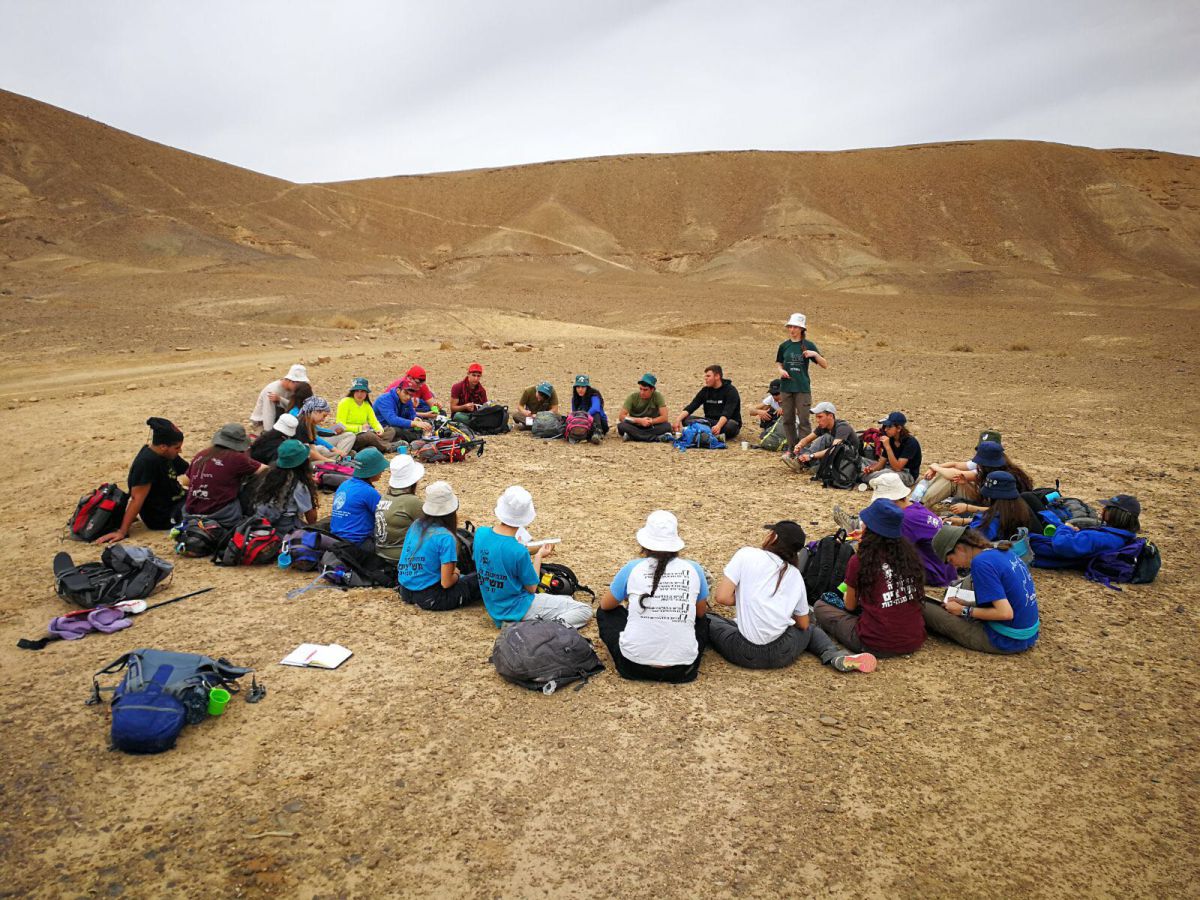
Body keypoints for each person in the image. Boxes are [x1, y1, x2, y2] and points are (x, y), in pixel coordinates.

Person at [707, 521, 876, 672]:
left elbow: (722, 598)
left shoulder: (747, 554)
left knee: (709, 619)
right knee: (811, 630)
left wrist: (749, 598)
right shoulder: (795, 575)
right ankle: (832, 654)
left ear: (773, 537)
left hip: (743, 651)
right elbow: (803, 624)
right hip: (783, 652)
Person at [596, 511, 710, 683]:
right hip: (683, 669)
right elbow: (700, 613)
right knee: (703, 620)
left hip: (632, 666)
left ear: (645, 544)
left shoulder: (632, 567)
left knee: (606, 613)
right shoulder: (694, 568)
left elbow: (606, 606)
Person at [813, 499, 926, 656]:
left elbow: (850, 606)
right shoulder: (909, 555)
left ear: (870, 528)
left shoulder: (861, 560)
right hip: (913, 639)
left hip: (874, 642)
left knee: (820, 607)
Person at [473, 486, 592, 628]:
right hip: (518, 608)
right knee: (584, 610)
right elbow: (532, 588)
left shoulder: (480, 534)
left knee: (565, 599)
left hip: (495, 606)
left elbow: (495, 558)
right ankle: (544, 629)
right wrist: (539, 556)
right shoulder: (518, 551)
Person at [924, 525, 1040, 654]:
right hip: (1028, 633)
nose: (954, 566)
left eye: (951, 560)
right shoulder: (999, 549)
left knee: (925, 608)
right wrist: (967, 604)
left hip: (1006, 639)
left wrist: (964, 610)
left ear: (959, 548)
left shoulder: (980, 564)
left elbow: (1005, 613)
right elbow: (1007, 598)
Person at [834, 471, 959, 588]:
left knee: (865, 556)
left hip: (935, 574)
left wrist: (864, 539)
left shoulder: (905, 519)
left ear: (891, 500)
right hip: (946, 570)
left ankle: (843, 587)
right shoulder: (915, 508)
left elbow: (886, 549)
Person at [97, 418, 189, 542]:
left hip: (178, 501)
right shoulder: (146, 463)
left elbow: (189, 471)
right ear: (163, 447)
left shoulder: (167, 454)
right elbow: (136, 499)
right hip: (163, 515)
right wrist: (122, 531)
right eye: (177, 448)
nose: (180, 451)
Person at [396, 481, 481, 611]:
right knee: (482, 577)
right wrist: (457, 574)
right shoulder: (446, 537)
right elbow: (446, 583)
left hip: (406, 590)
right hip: (432, 597)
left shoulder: (417, 524)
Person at [182, 424, 265, 527]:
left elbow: (186, 481)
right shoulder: (237, 458)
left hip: (190, 512)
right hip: (221, 514)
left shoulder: (202, 454)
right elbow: (265, 470)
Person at [1032, 494, 1143, 569]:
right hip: (1062, 542)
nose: (1103, 509)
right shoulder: (1121, 535)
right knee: (1030, 499)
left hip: (1042, 549)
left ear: (1115, 514)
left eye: (1107, 508)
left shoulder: (1103, 538)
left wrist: (1066, 528)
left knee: (1028, 499)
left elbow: (1062, 545)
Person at [918, 438, 1032, 507]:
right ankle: (920, 504)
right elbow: (956, 466)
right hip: (989, 503)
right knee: (955, 480)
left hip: (997, 509)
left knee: (952, 479)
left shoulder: (1002, 477)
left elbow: (997, 509)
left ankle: (920, 505)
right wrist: (965, 483)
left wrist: (935, 467)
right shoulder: (997, 469)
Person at [775, 313, 828, 447]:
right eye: (790, 327)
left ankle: (804, 449)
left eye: (795, 327)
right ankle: (792, 448)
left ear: (801, 329)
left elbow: (824, 364)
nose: (792, 330)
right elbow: (779, 362)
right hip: (786, 388)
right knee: (788, 420)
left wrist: (814, 354)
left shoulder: (808, 345)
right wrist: (781, 371)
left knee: (804, 420)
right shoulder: (784, 346)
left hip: (802, 388)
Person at [944, 471, 1040, 541]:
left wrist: (948, 528)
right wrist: (962, 521)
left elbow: (972, 538)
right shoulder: (1020, 507)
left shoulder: (994, 520)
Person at [252, 439, 318, 533]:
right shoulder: (298, 486)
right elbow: (312, 519)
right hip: (285, 530)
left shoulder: (268, 475)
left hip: (261, 525)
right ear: (303, 463)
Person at [329, 447, 389, 549]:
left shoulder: (345, 484)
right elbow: (386, 517)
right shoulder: (368, 492)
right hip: (357, 544)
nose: (382, 470)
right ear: (372, 471)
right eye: (380, 468)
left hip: (336, 539)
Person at [374, 454, 426, 565]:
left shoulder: (384, 498)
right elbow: (433, 526)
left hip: (381, 552)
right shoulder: (411, 502)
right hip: (402, 556)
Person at [783, 401, 858, 471]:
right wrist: (799, 445)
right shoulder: (823, 427)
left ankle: (804, 463)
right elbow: (807, 439)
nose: (817, 420)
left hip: (848, 458)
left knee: (825, 438)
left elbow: (834, 450)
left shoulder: (842, 427)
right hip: (834, 456)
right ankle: (802, 461)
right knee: (813, 456)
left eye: (820, 417)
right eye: (816, 417)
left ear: (830, 416)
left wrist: (811, 456)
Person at [675, 364, 742, 441]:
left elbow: (727, 413)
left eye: (708, 376)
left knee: (731, 426)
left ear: (717, 376)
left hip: (725, 423)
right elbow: (692, 406)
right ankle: (709, 434)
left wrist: (718, 426)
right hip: (709, 422)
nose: (705, 378)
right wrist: (678, 420)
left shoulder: (730, 391)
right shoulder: (705, 390)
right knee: (686, 419)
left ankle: (702, 433)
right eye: (705, 376)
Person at [862, 412, 922, 487]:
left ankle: (863, 477)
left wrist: (888, 447)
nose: (886, 429)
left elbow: (897, 468)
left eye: (889, 427)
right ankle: (866, 477)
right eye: (885, 426)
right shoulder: (890, 439)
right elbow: (881, 464)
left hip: (907, 474)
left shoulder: (910, 443)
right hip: (890, 468)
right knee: (862, 460)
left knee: (885, 474)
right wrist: (871, 469)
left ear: (899, 428)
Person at [335, 378, 396, 452]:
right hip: (350, 436)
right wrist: (360, 428)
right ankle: (387, 447)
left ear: (366, 393)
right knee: (369, 436)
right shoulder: (345, 402)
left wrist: (379, 429)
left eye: (362, 391)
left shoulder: (367, 405)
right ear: (353, 392)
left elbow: (374, 422)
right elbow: (340, 425)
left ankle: (371, 447)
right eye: (357, 391)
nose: (359, 394)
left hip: (365, 432)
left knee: (390, 430)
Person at [249, 363, 309, 434]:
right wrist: (269, 434)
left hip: (282, 419)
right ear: (290, 381)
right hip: (262, 422)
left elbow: (294, 406)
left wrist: (280, 400)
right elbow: (268, 413)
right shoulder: (272, 389)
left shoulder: (294, 390)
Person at [374, 379, 434, 443]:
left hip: (399, 427)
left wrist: (415, 419)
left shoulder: (407, 399)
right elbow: (392, 420)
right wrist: (414, 423)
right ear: (398, 390)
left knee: (425, 424)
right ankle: (417, 438)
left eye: (411, 395)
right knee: (396, 430)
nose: (408, 397)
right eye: (406, 393)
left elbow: (411, 414)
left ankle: (418, 437)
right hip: (383, 429)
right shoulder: (384, 399)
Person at [617, 373, 672, 442]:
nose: (642, 392)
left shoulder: (658, 396)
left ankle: (633, 436)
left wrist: (651, 421)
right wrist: (639, 421)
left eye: (645, 390)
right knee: (621, 426)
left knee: (667, 426)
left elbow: (664, 417)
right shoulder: (633, 397)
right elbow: (621, 416)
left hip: (651, 426)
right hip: (635, 425)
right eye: (641, 389)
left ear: (652, 390)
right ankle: (656, 438)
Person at [569, 375, 608, 444]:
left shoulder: (594, 395)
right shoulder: (575, 399)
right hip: (584, 424)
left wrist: (583, 415)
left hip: (600, 423)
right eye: (578, 387)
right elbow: (574, 412)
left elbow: (595, 408)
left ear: (587, 388)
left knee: (595, 413)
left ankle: (598, 433)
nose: (580, 389)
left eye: (583, 387)